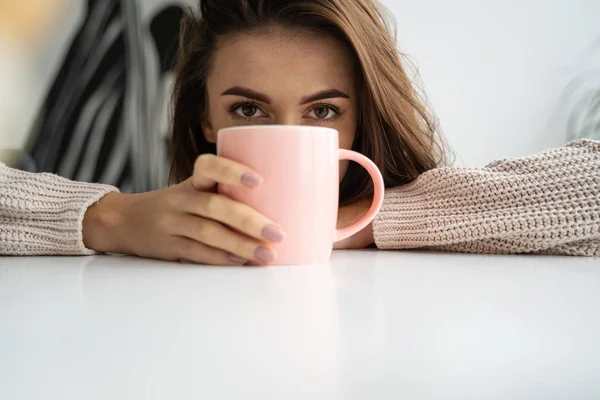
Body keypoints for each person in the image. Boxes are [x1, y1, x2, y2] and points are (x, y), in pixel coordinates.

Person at [0, 0, 598, 264]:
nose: (289, 131)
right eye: (249, 110)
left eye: (323, 112)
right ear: (205, 115)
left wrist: (368, 221)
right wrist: (109, 219)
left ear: (362, 116)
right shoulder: (138, 236)